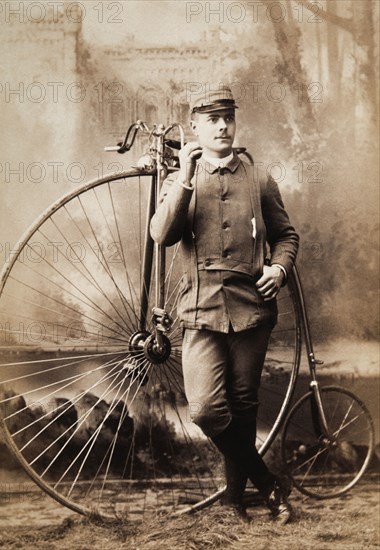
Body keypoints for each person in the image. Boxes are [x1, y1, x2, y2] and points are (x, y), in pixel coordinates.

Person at [150, 86, 299, 524]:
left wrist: (279, 269)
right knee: (206, 410)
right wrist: (184, 178)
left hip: (253, 306)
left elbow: (286, 235)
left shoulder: (258, 177)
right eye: (212, 119)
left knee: (243, 404)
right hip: (200, 308)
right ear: (194, 127)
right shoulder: (180, 179)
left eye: (228, 117)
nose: (222, 125)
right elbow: (162, 235)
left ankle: (235, 501)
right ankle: (269, 483)